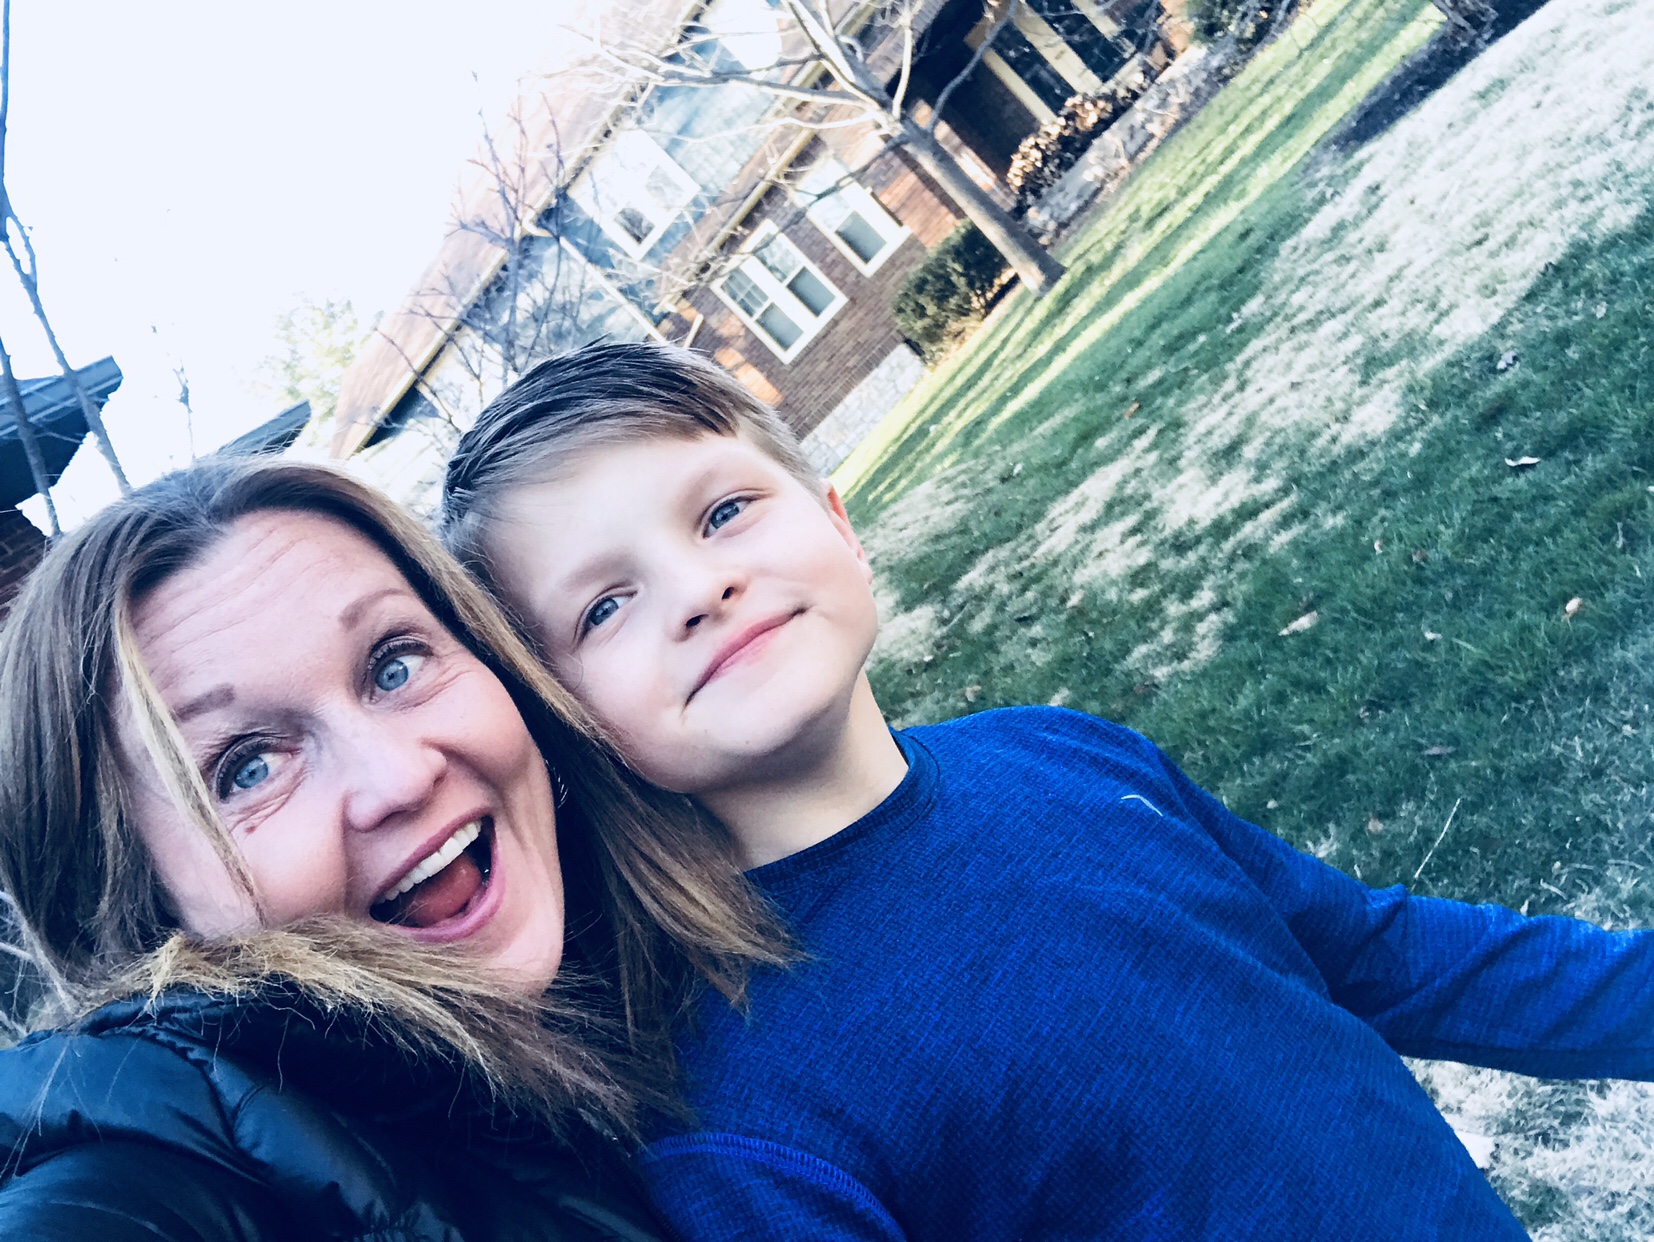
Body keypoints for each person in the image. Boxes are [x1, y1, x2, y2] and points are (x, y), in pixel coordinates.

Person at [440, 340, 1654, 1242]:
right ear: (568, 722)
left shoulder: (1065, 754)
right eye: (605, 606)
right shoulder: (739, 1119)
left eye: (723, 511)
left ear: (838, 522)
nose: (698, 590)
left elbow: (1379, 954)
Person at [0, 458, 789, 1239]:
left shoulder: (697, 903)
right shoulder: (147, 1181)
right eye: (248, 768)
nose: (401, 779)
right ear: (136, 912)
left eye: (394, 665)